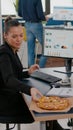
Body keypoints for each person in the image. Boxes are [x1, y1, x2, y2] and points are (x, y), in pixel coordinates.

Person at [0, 16, 43, 123]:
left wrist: (28, 72)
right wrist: (29, 89)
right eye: (14, 36)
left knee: (45, 104)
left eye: (21, 35)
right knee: (41, 109)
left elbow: (13, 73)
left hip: (9, 96)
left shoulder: (11, 50)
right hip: (5, 103)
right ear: (5, 36)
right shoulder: (4, 53)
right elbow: (9, 79)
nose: (19, 40)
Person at [18, 0, 48, 68]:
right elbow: (40, 15)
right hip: (36, 25)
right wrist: (45, 18)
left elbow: (20, 13)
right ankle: (40, 69)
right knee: (47, 48)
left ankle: (32, 71)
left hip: (27, 24)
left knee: (30, 50)